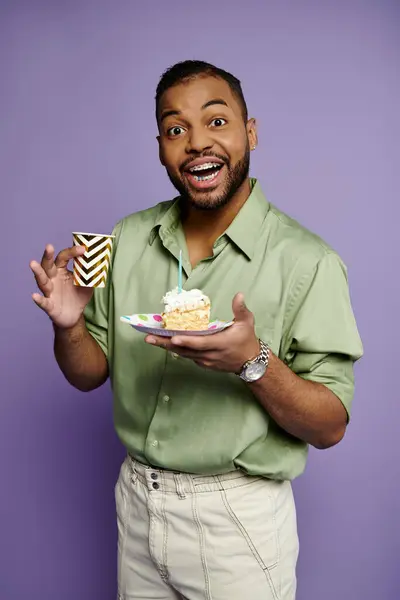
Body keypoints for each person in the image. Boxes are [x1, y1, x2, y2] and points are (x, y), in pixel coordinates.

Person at [30, 60, 363, 600]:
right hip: (137, 501)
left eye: (216, 121)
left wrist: (252, 361)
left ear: (249, 132)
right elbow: (89, 374)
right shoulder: (126, 237)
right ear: (160, 145)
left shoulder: (309, 262)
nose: (196, 144)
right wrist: (68, 326)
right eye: (175, 129)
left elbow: (330, 427)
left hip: (238, 521)